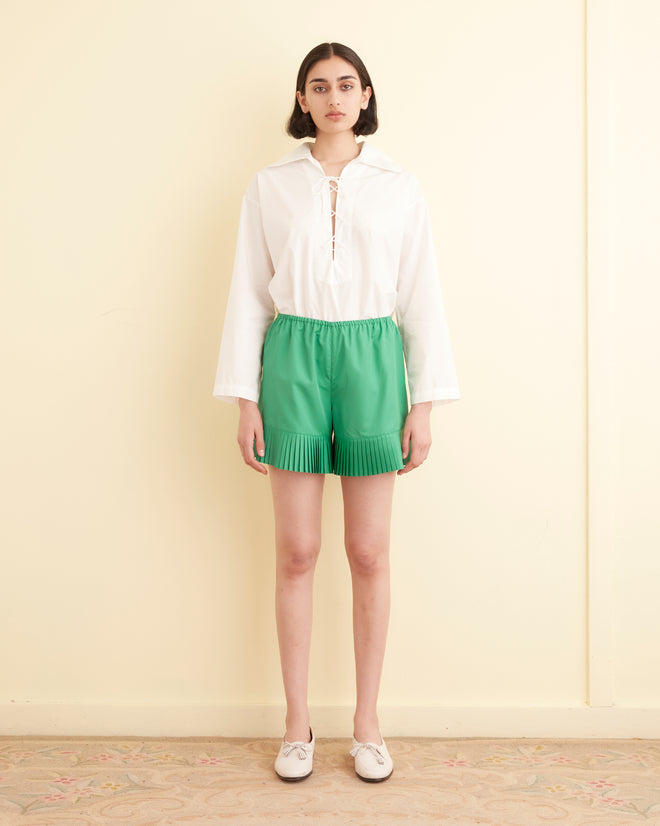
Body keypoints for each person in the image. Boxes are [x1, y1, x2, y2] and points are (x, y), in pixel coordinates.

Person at [213, 42, 460, 783]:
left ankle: (368, 725)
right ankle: (297, 727)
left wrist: (425, 404)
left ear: (365, 94)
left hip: (372, 360)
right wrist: (245, 396)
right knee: (296, 551)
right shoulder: (271, 184)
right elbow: (249, 293)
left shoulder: (398, 185)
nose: (332, 97)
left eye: (345, 85)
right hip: (292, 356)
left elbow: (421, 295)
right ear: (302, 100)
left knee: (369, 553)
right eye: (317, 86)